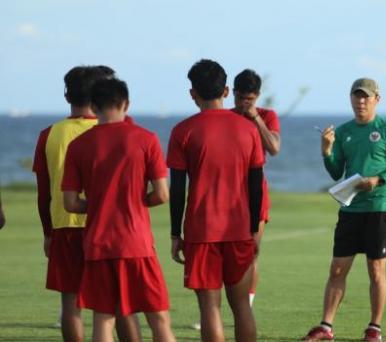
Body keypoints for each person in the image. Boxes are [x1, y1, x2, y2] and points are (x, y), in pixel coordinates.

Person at [32, 66, 141, 342]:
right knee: (118, 301)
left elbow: (43, 192)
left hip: (65, 225)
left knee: (70, 304)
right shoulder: (115, 129)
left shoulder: (49, 134)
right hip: (109, 227)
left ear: (67, 95)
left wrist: (47, 231)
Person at [61, 77, 175, 342]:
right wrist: (135, 201)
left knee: (103, 319)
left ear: (93, 106)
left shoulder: (78, 146)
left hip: (98, 244)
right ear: (126, 103)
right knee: (159, 319)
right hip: (137, 243)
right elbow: (162, 194)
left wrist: (101, 204)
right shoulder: (146, 139)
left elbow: (70, 203)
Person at [303, 78, 386, 342]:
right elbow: (336, 171)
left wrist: (379, 179)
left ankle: (374, 328)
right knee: (337, 269)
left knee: (376, 270)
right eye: (357, 96)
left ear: (377, 99)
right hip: (351, 209)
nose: (361, 101)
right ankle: (326, 327)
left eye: (366, 97)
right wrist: (326, 150)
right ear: (350, 98)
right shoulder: (343, 132)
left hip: (380, 207)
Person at [168, 59, 265, 342]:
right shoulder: (248, 129)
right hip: (238, 229)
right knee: (242, 308)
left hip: (201, 231)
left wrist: (176, 232)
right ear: (226, 91)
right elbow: (255, 183)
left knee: (209, 308)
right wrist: (253, 229)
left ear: (192, 93)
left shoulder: (183, 131)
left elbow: (177, 188)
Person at [232, 69, 281, 307]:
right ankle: (218, 308)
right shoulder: (226, 117)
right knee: (223, 255)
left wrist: (255, 118)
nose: (243, 103)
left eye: (249, 99)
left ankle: (246, 306)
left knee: (252, 251)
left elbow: (274, 147)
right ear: (232, 94)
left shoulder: (266, 115)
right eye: (240, 98)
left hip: (254, 193)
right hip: (228, 194)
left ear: (257, 96)